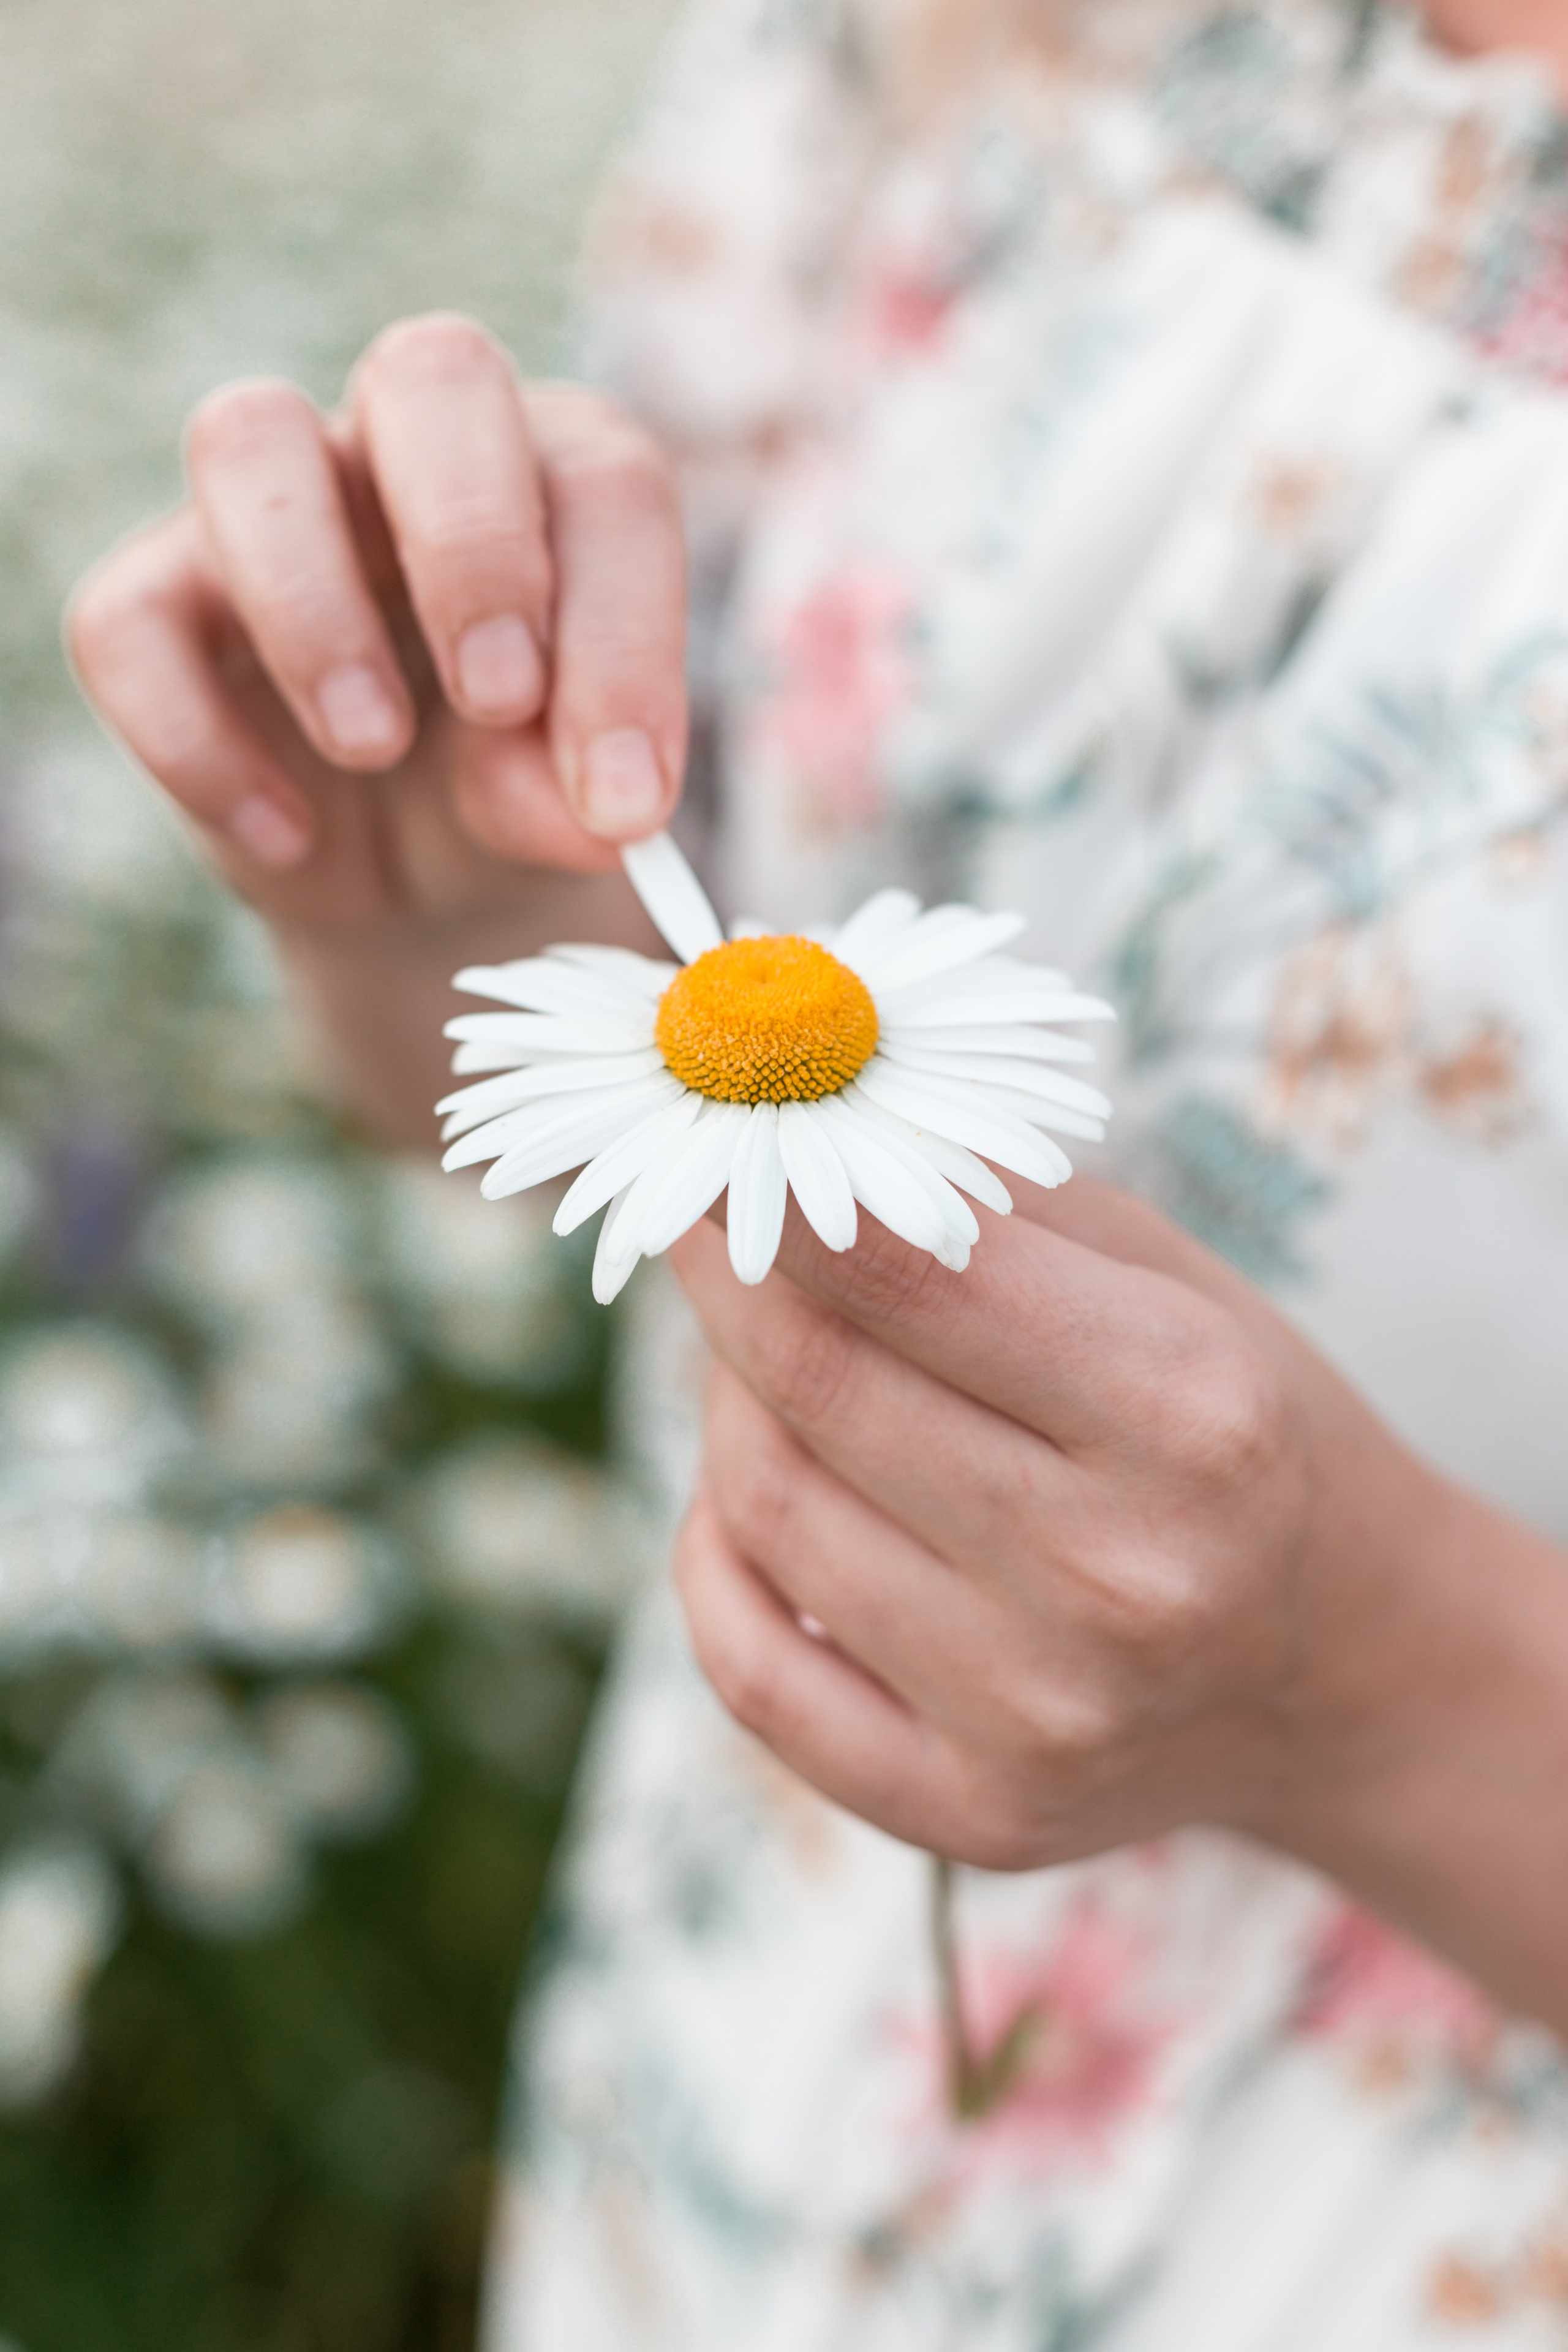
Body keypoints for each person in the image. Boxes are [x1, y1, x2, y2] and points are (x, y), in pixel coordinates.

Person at [68, 0, 1568, 2341]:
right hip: (715, 2143)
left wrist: (1372, 1691)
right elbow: (575, 1049)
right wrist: (435, 895)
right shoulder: (878, 46)